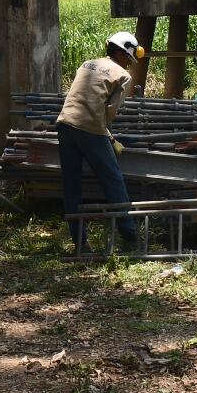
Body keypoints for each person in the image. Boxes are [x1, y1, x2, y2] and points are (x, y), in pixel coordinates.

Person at [55, 32, 145, 254]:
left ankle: (80, 244)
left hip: (65, 124)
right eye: (128, 58)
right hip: (91, 130)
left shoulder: (87, 64)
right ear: (122, 53)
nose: (128, 63)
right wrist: (107, 135)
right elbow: (110, 111)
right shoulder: (122, 75)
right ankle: (131, 238)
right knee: (113, 181)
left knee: (72, 185)